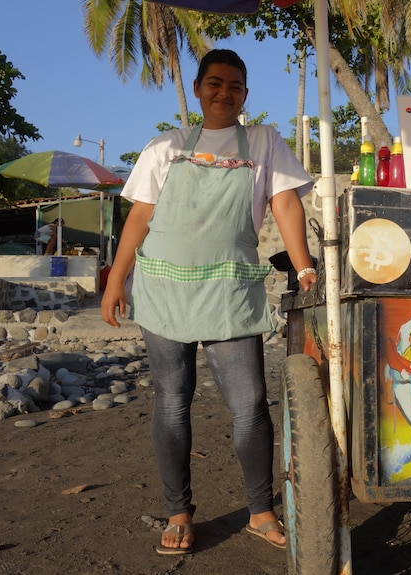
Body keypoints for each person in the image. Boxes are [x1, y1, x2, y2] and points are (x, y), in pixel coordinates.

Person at [101, 49, 316, 556]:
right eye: (215, 83)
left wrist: (305, 267)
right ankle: (179, 511)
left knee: (249, 406)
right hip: (163, 287)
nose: (225, 93)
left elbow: (284, 202)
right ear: (198, 88)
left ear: (246, 94)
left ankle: (260, 510)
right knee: (172, 403)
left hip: (230, 289)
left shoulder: (264, 142)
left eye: (236, 86)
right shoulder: (165, 147)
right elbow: (140, 219)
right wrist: (116, 279)